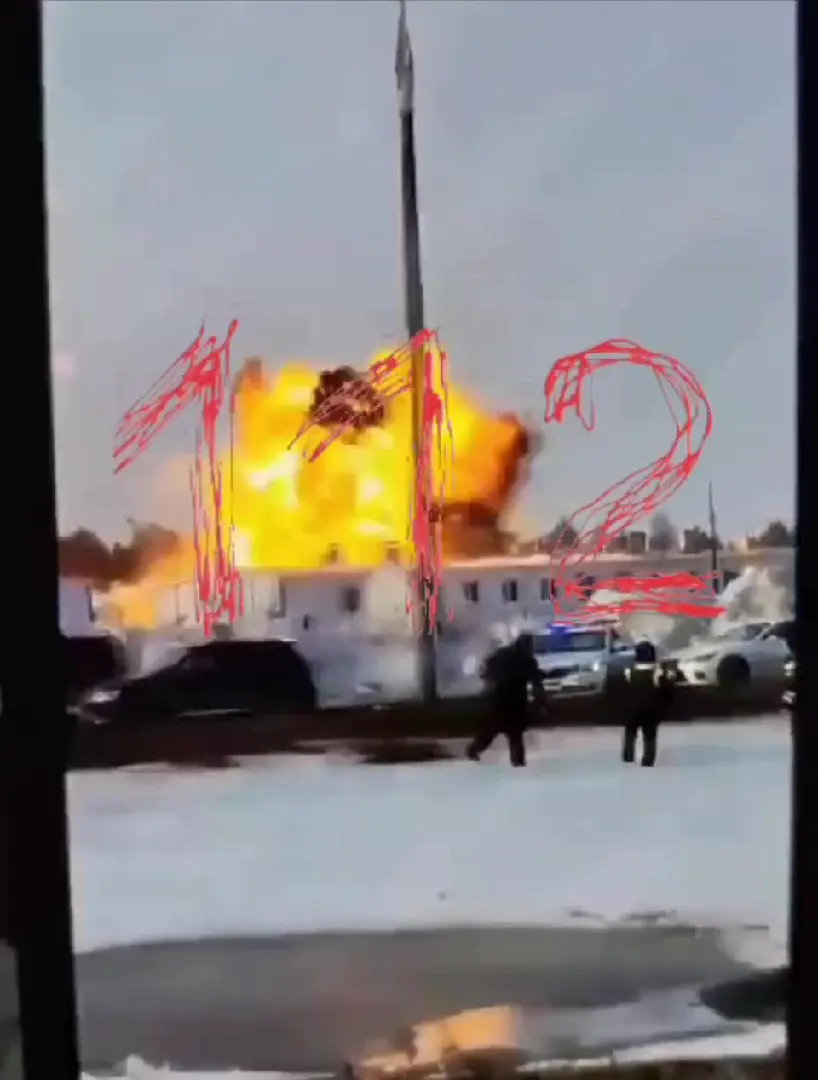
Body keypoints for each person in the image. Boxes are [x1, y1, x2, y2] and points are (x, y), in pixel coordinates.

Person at [467, 632, 546, 767]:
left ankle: (474, 749)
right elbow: (536, 682)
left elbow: (487, 670)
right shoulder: (526, 660)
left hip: (499, 699)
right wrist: (541, 702)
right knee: (513, 733)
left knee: (496, 728)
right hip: (513, 700)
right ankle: (517, 761)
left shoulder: (502, 654)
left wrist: (487, 685)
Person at [621, 639, 670, 767]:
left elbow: (622, 689)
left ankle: (628, 755)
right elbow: (666, 691)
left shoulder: (629, 671)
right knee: (649, 735)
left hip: (632, 708)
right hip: (651, 709)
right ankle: (648, 760)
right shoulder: (657, 673)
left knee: (630, 732)